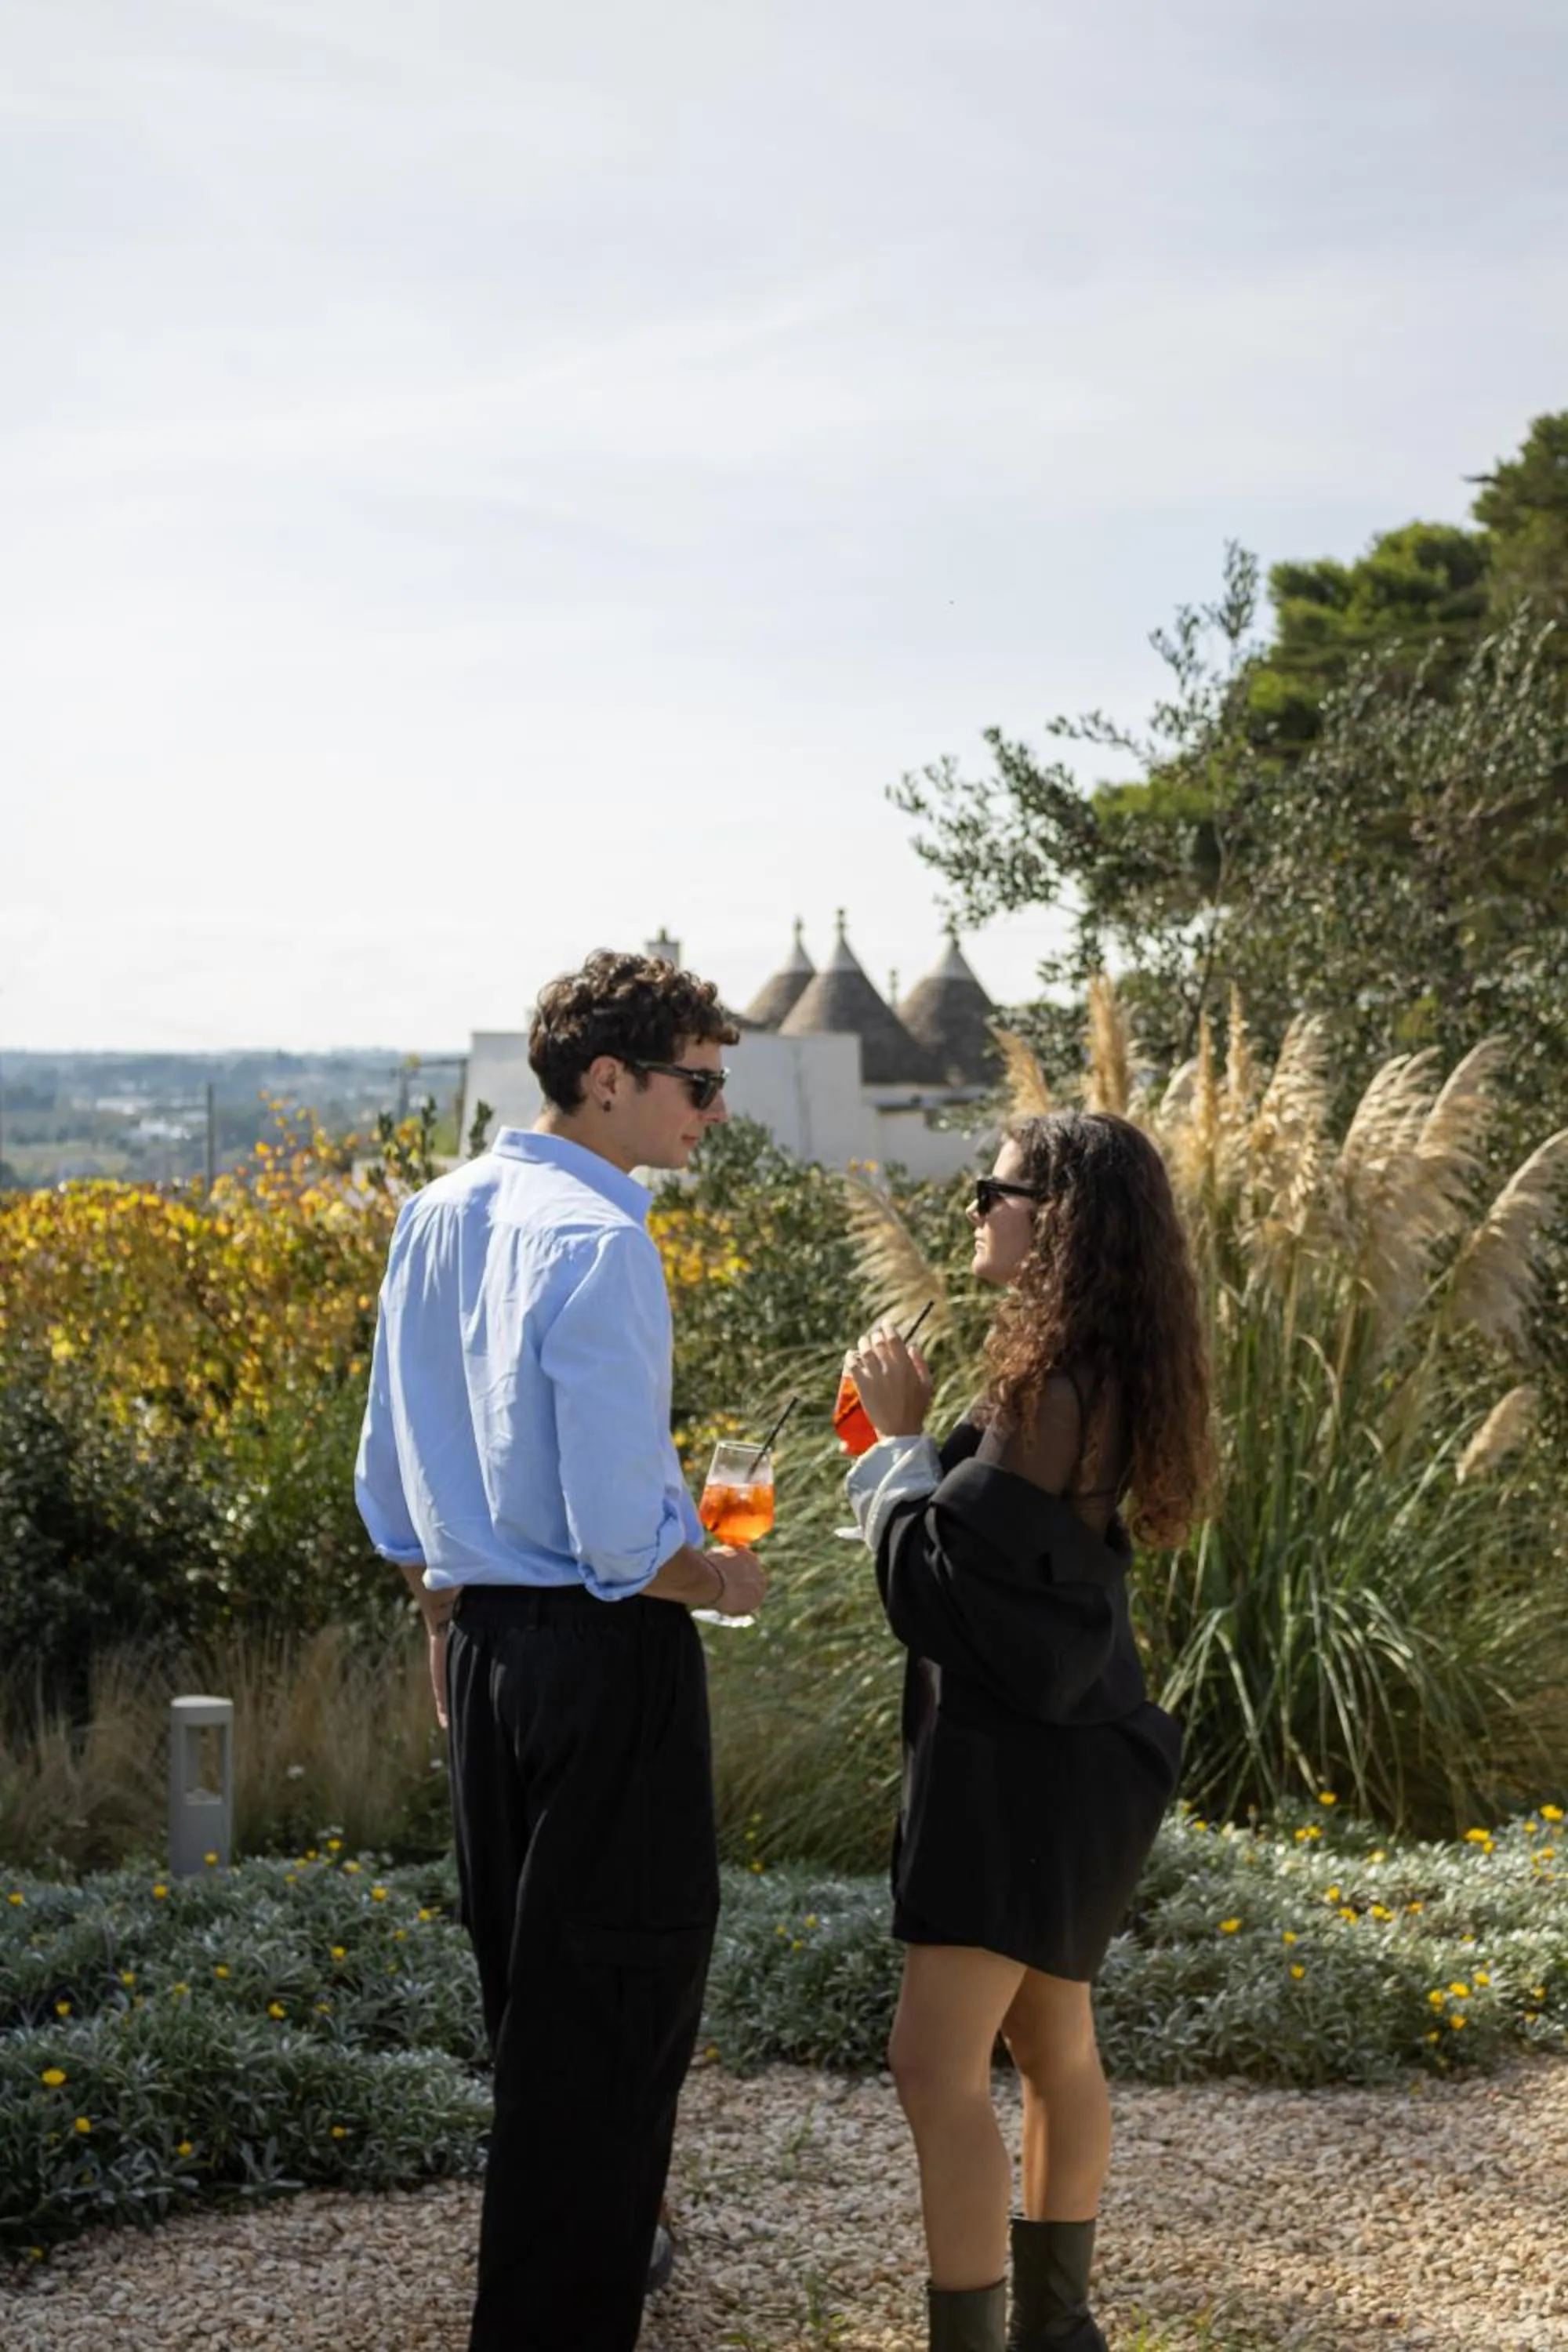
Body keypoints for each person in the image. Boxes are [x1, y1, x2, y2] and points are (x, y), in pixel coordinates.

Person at [354, 948, 767, 2352]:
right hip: (605, 1659)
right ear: (609, 1082)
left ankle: (560, 2289)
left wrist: (443, 1638)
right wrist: (719, 1579)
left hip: (482, 1653)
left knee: (532, 2004)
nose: (713, 1114)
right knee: (616, 2004)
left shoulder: (435, 1212)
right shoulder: (602, 1239)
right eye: (697, 1086)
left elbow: (390, 1483)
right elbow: (618, 1540)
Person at [842, 1111, 1211, 2352]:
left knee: (930, 2065)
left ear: (1052, 1216)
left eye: (990, 1191)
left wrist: (899, 1446)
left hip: (1012, 1772)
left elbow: (939, 1589)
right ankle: (1057, 2333)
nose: (974, 1212)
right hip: (1090, 1751)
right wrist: (919, 1454)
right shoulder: (1100, 1366)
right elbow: (1008, 1552)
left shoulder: (1047, 1382)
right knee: (1054, 2041)